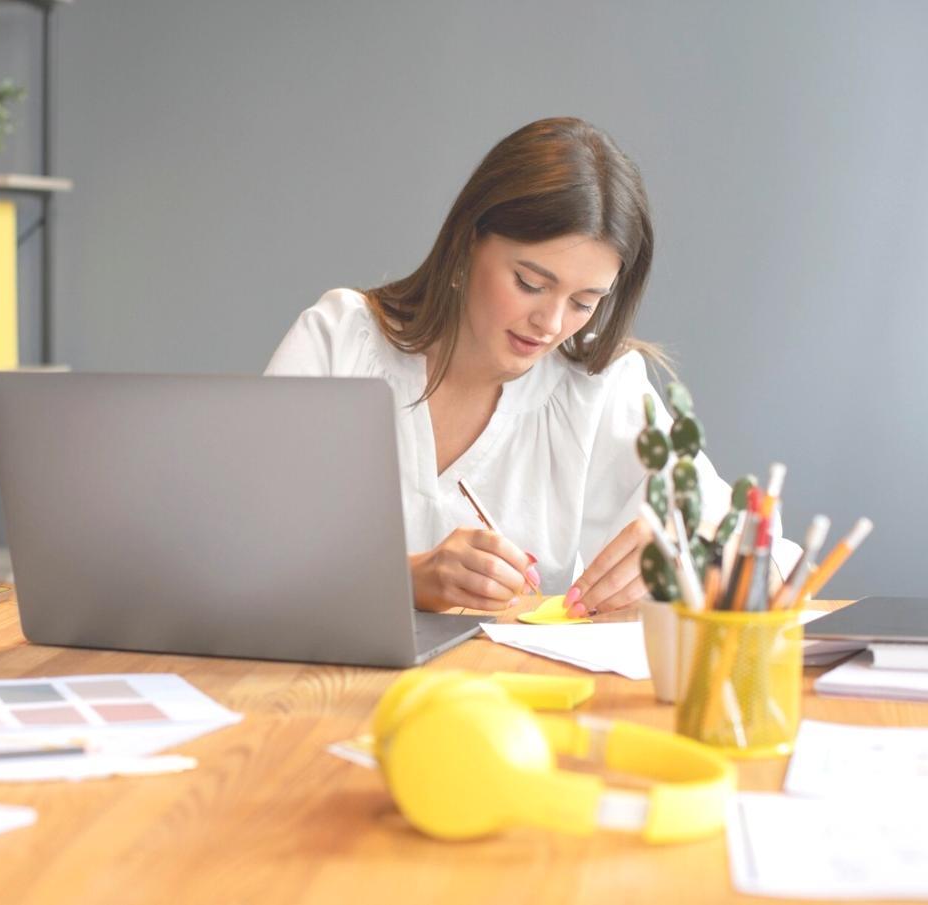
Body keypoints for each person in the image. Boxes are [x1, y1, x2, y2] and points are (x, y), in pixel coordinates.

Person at [265, 117, 798, 617]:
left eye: (585, 302)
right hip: (314, 683)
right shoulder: (342, 340)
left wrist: (696, 559)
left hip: (515, 686)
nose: (551, 323)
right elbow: (242, 552)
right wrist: (405, 578)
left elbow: (773, 562)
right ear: (467, 242)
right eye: (530, 283)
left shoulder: (600, 389)